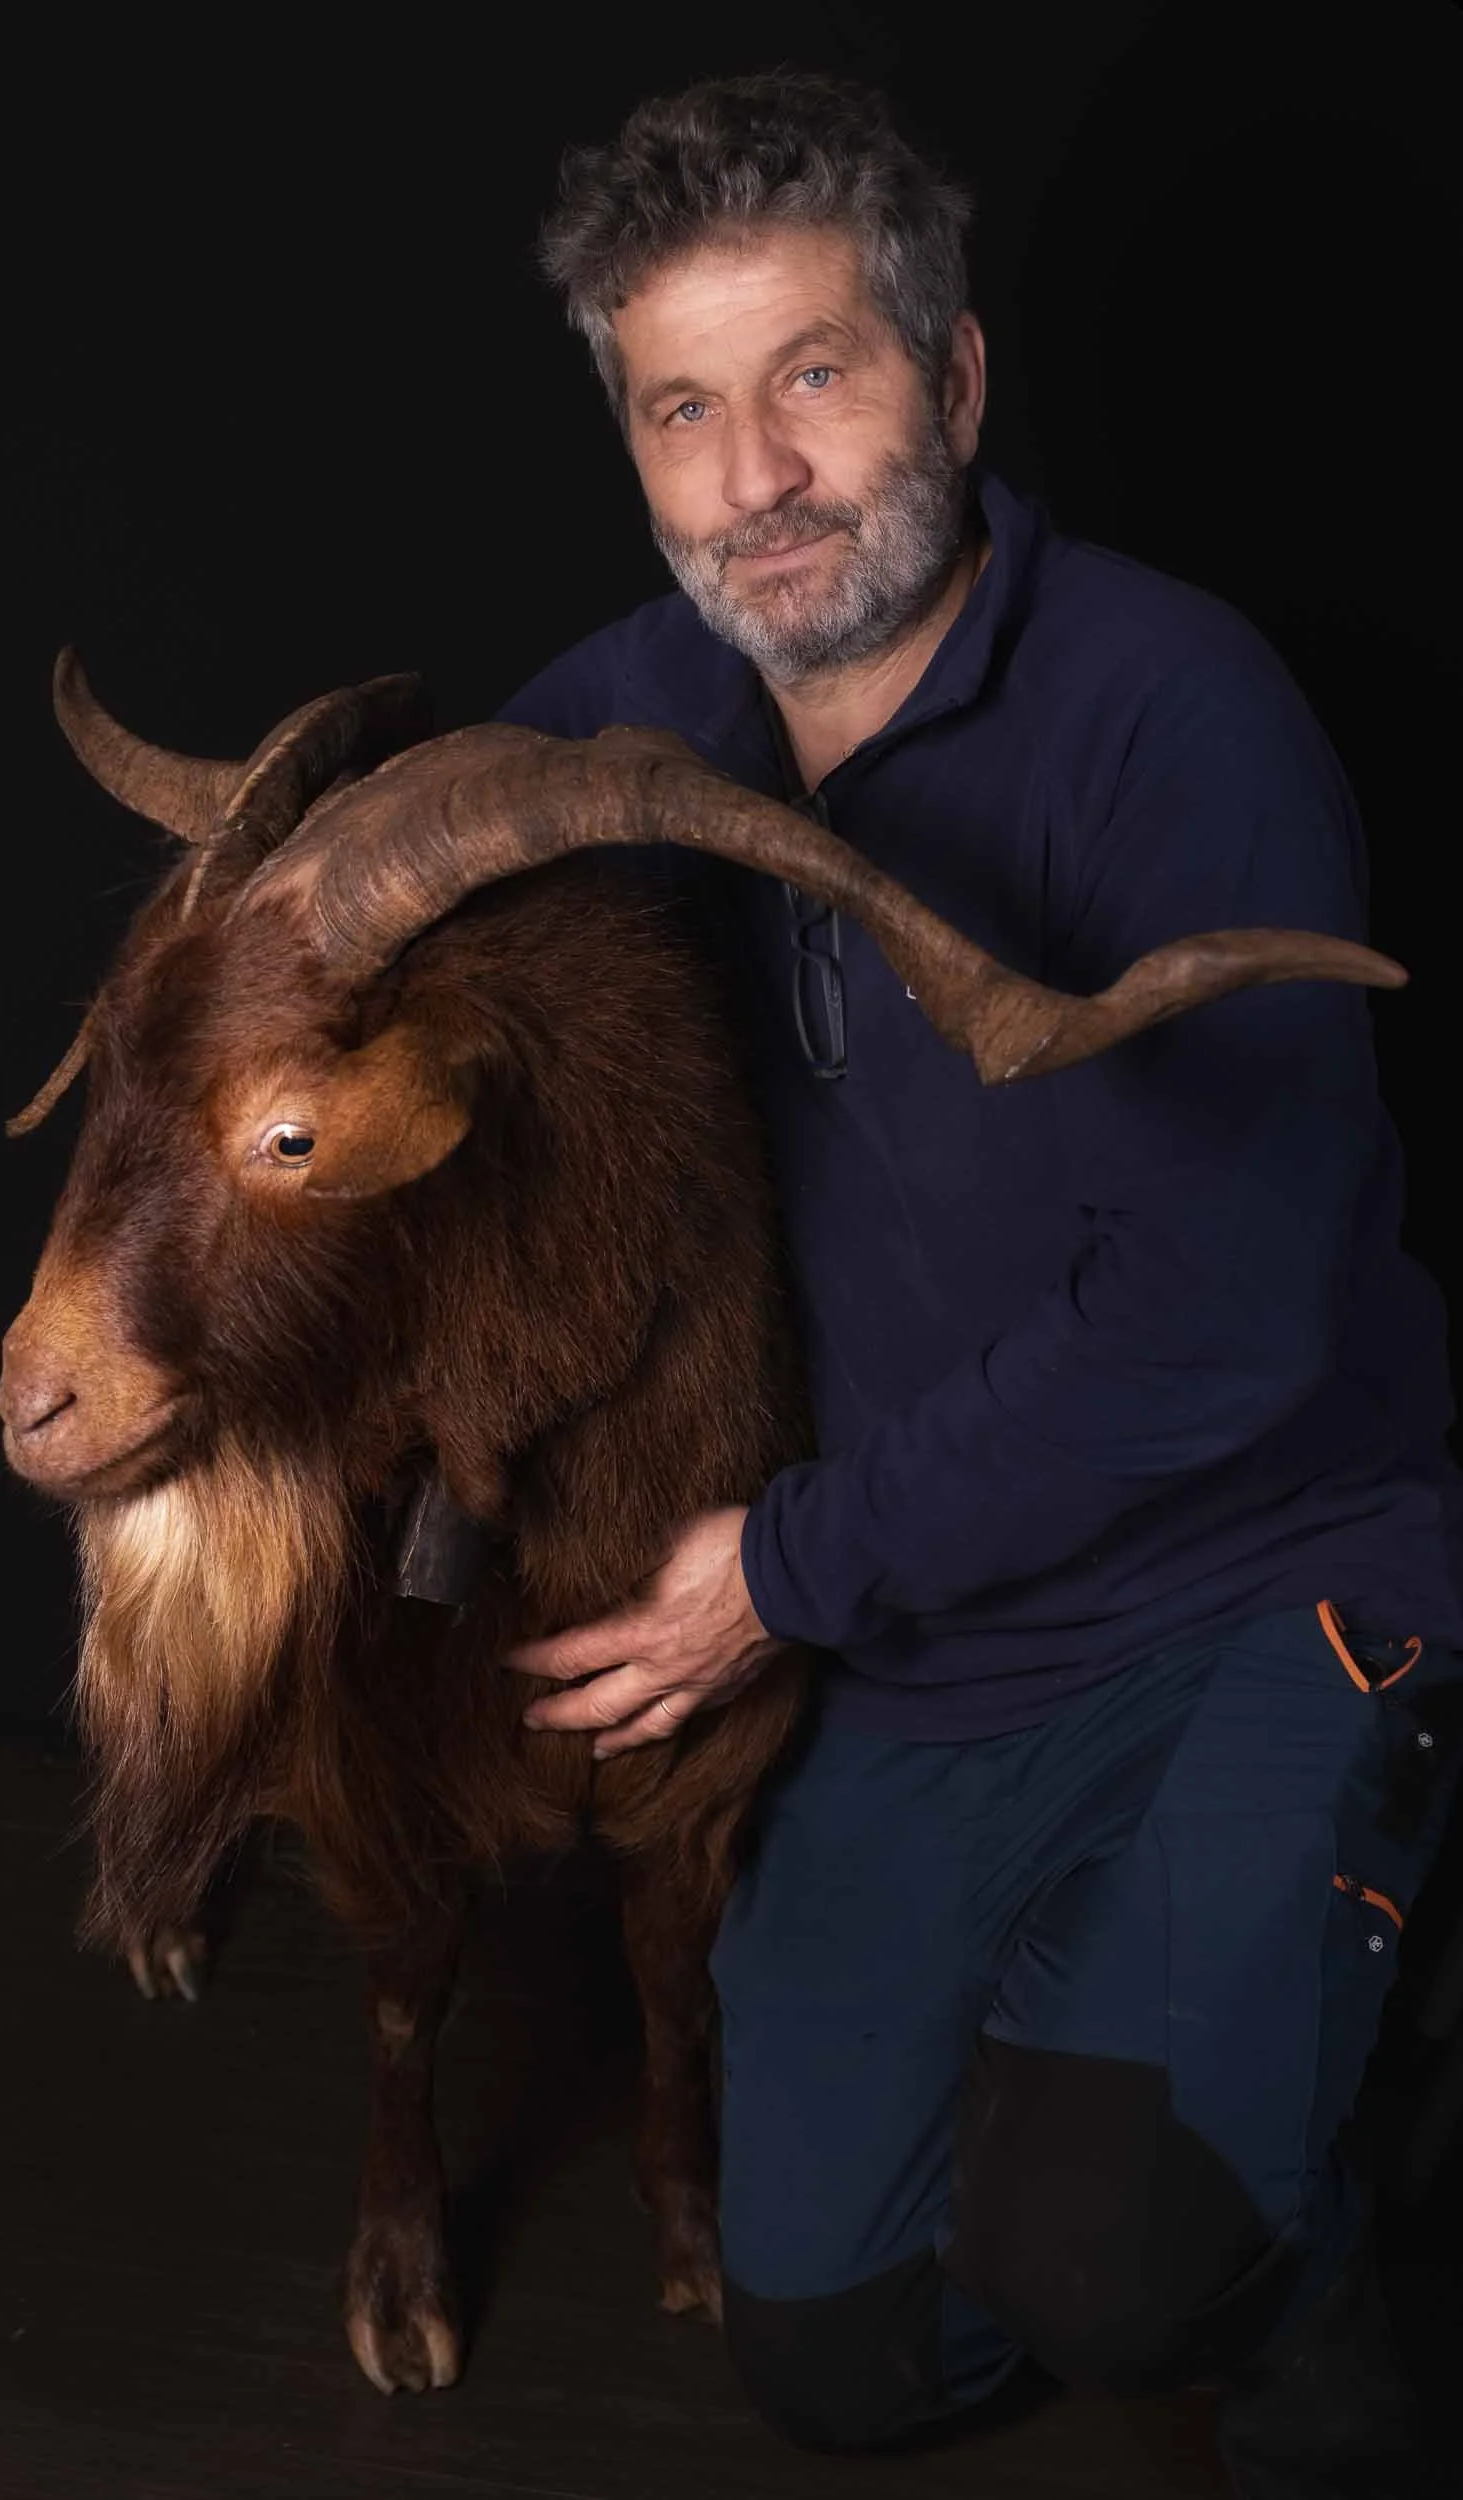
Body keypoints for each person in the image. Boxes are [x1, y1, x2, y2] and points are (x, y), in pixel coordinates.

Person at [493, 71, 1462, 2496]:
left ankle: (1322, 2199)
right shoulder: (620, 722)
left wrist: (782, 1574)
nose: (758, 475)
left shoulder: (1171, 711)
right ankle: (1135, 2071)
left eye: (815, 374)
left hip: (1253, 1584)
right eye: (681, 409)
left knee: (1126, 2265)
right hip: (938, 1660)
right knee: (826, 2351)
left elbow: (1220, 1319)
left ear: (956, 376)